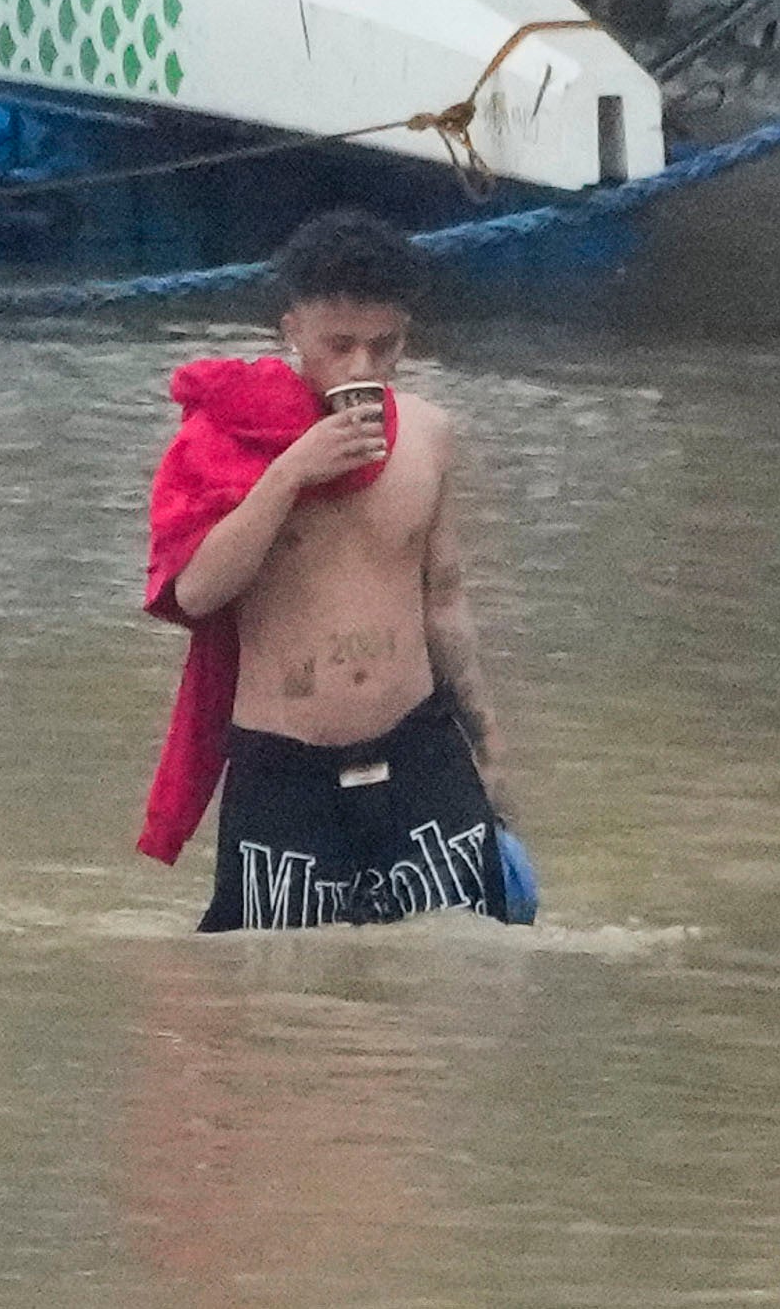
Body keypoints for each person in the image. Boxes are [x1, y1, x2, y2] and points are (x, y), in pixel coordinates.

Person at [139, 209, 527, 932]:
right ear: (292, 330)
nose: (361, 368)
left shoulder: (430, 436)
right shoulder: (231, 440)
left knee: (473, 972)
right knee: (274, 998)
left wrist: (491, 751)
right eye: (338, 345)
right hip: (285, 768)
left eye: (384, 347)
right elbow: (194, 593)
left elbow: (444, 601)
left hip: (417, 747)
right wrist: (289, 474)